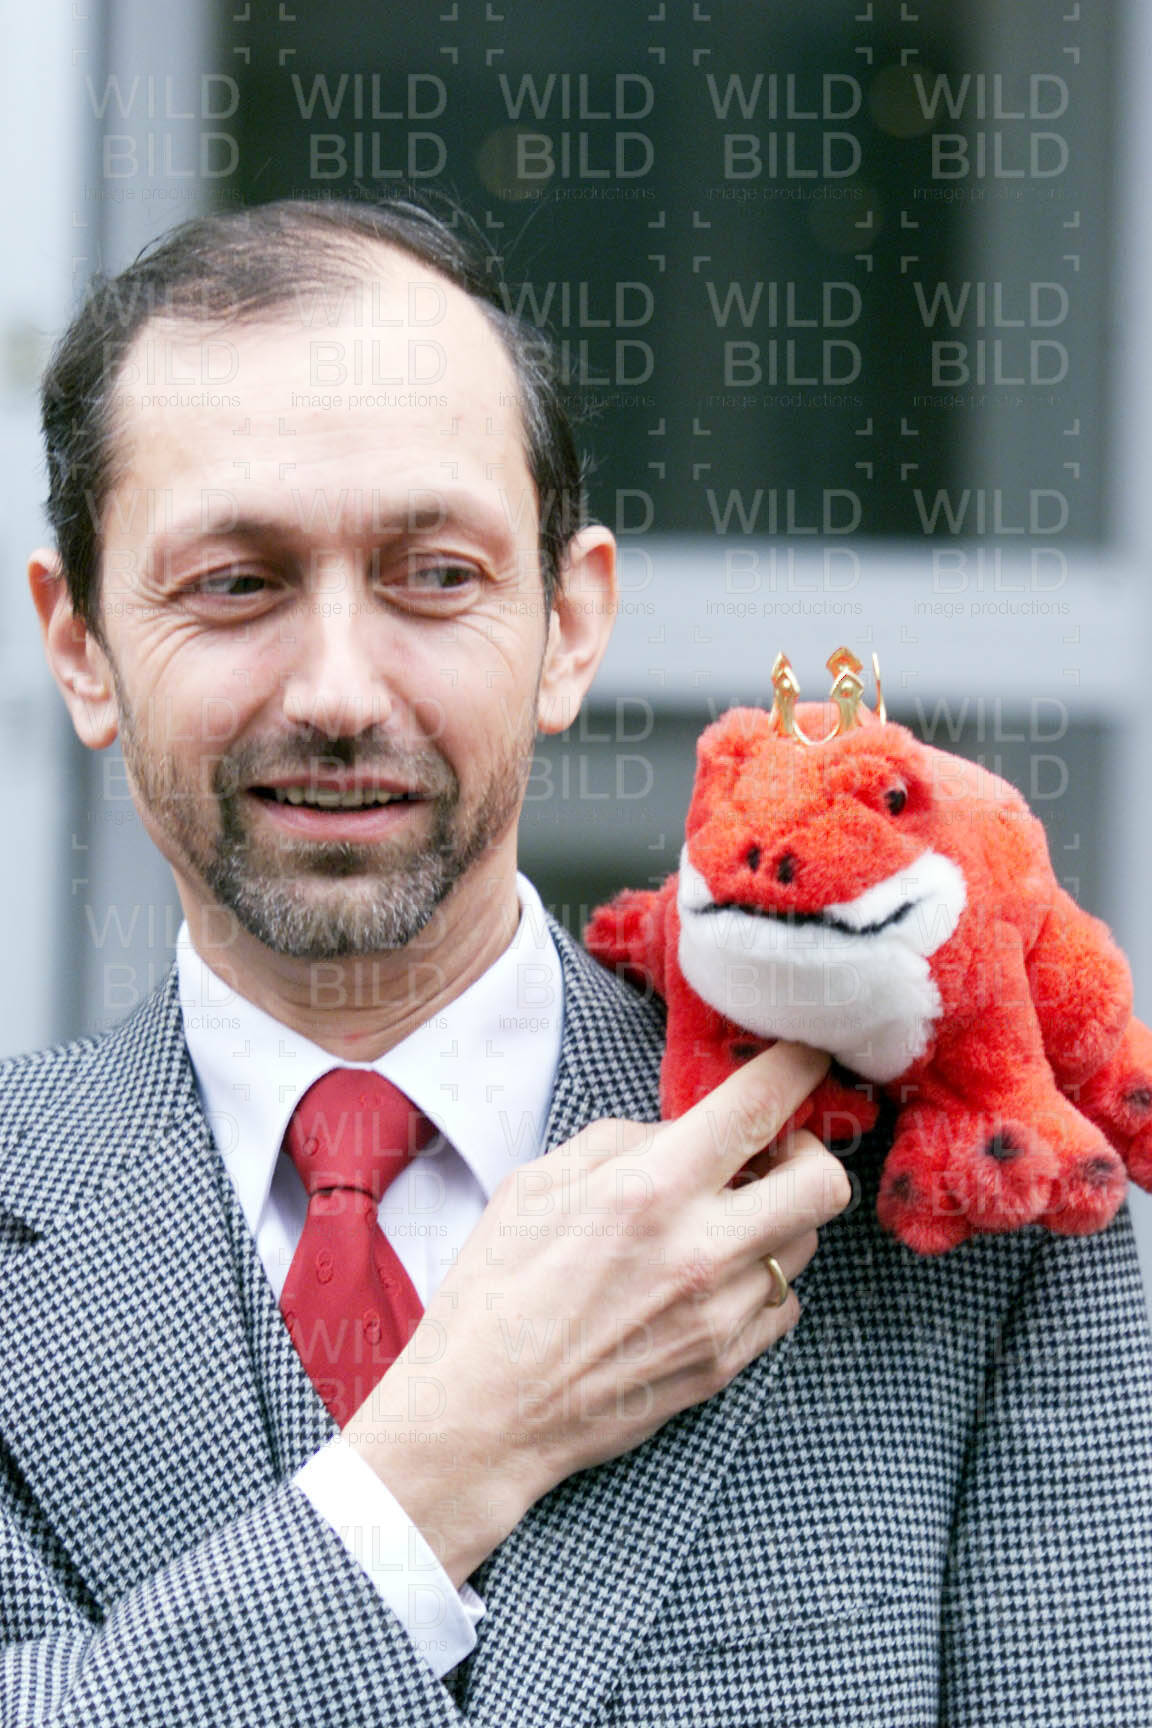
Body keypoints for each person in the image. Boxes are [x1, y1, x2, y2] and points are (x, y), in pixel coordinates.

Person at [2, 197, 1150, 1727]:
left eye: (435, 575)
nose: (338, 691)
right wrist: (441, 1462)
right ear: (80, 643)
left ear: (570, 625)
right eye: (235, 582)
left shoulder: (964, 1193)